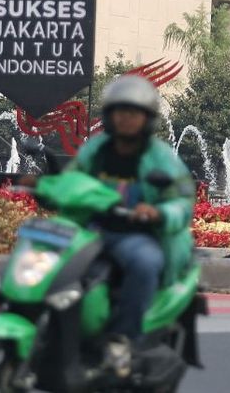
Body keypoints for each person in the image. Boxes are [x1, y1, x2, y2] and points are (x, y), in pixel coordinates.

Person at [65, 75, 196, 376]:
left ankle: (121, 340)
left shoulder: (160, 157)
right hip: (91, 229)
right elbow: (72, 179)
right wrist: (46, 187)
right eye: (120, 111)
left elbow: (182, 200)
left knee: (145, 262)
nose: (126, 119)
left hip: (134, 234)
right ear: (109, 115)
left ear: (146, 119)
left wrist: (157, 212)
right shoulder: (95, 151)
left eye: (133, 113)